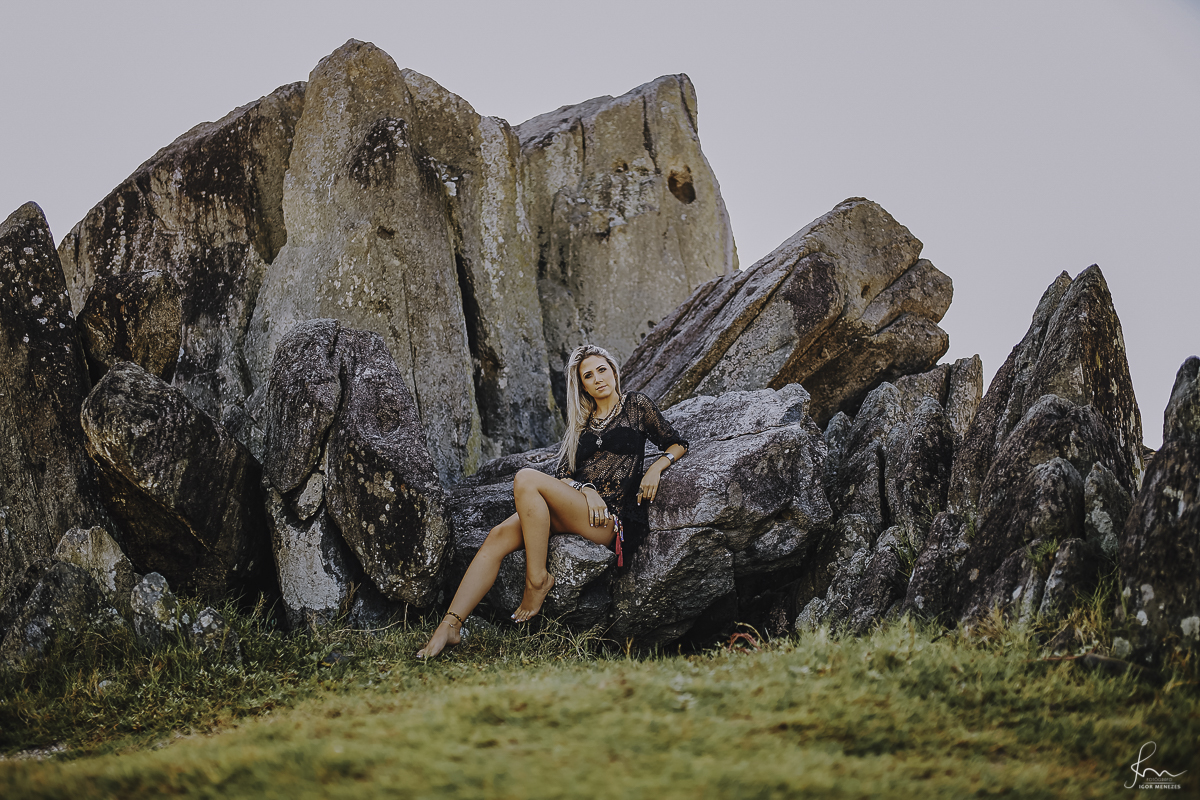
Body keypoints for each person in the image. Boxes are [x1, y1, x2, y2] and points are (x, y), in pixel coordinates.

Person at [417, 344, 688, 659]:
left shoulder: (637, 405)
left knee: (526, 478)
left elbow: (677, 442)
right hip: (582, 507)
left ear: (613, 371)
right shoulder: (582, 423)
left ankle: (538, 579)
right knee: (497, 536)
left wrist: (656, 467)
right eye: (588, 375)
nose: (598, 378)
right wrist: (586, 489)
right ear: (582, 385)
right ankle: (450, 625)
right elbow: (564, 474)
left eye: (602, 369)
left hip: (609, 520)